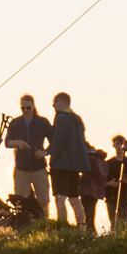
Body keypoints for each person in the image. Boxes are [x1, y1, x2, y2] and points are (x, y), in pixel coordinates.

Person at [48, 91, 90, 226]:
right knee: (75, 199)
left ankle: (62, 227)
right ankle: (81, 226)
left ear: (60, 102)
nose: (54, 108)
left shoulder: (61, 118)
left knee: (60, 198)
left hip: (61, 164)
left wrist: (49, 156)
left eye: (54, 104)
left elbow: (57, 141)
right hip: (76, 165)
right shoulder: (78, 120)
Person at [3, 96, 52, 215]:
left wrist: (45, 152)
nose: (25, 111)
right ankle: (24, 225)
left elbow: (54, 141)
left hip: (39, 167)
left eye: (28, 108)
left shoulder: (42, 122)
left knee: (44, 201)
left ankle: (44, 224)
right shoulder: (15, 123)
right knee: (21, 201)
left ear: (33, 107)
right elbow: (7, 142)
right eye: (22, 108)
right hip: (21, 168)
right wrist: (18, 143)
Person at [105, 134, 127, 230]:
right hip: (111, 197)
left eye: (121, 144)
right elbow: (102, 182)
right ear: (113, 145)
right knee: (114, 223)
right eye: (117, 144)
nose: (119, 147)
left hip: (125, 198)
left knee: (125, 224)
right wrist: (110, 183)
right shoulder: (108, 163)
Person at [79, 136, 109, 232]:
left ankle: (88, 230)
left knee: (87, 212)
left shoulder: (88, 157)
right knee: (92, 211)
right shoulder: (97, 156)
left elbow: (87, 175)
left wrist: (79, 181)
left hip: (87, 188)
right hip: (96, 189)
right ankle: (91, 230)